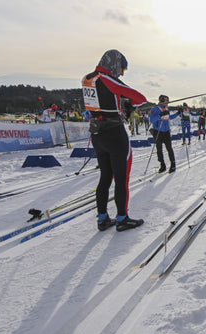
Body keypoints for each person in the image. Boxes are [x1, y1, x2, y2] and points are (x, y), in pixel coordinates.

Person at [81, 49, 147, 232]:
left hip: (97, 134)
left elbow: (103, 101)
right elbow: (140, 98)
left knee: (104, 178)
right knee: (121, 178)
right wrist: (130, 104)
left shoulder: (87, 78)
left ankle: (102, 219)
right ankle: (122, 218)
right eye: (122, 69)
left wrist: (121, 103)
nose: (122, 73)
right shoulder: (106, 78)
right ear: (115, 64)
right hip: (115, 134)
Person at [149, 95, 177, 173]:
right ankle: (162, 165)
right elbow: (152, 120)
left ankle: (173, 164)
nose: (167, 102)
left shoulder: (167, 108)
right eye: (166, 100)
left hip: (166, 131)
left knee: (169, 148)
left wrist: (178, 113)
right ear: (161, 100)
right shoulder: (154, 109)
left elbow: (169, 117)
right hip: (158, 131)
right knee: (159, 149)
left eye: (168, 100)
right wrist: (160, 115)